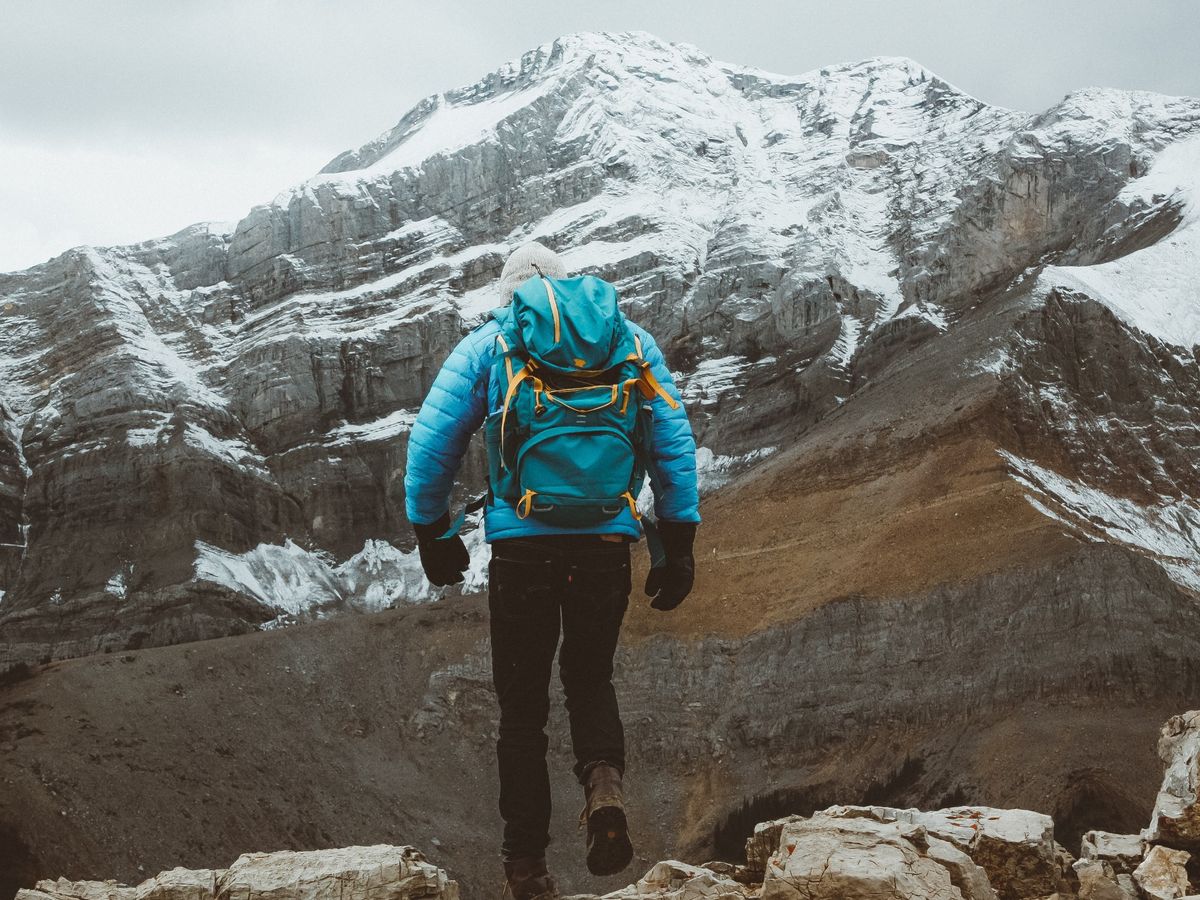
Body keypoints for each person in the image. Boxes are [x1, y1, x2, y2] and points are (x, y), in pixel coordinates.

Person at [404, 242, 700, 900]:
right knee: (590, 677)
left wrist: (433, 531)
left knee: (522, 714)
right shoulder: (629, 340)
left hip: (523, 553)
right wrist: (677, 542)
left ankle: (528, 870)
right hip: (603, 546)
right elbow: (672, 436)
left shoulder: (495, 340)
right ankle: (603, 789)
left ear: (511, 293)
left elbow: (432, 437)